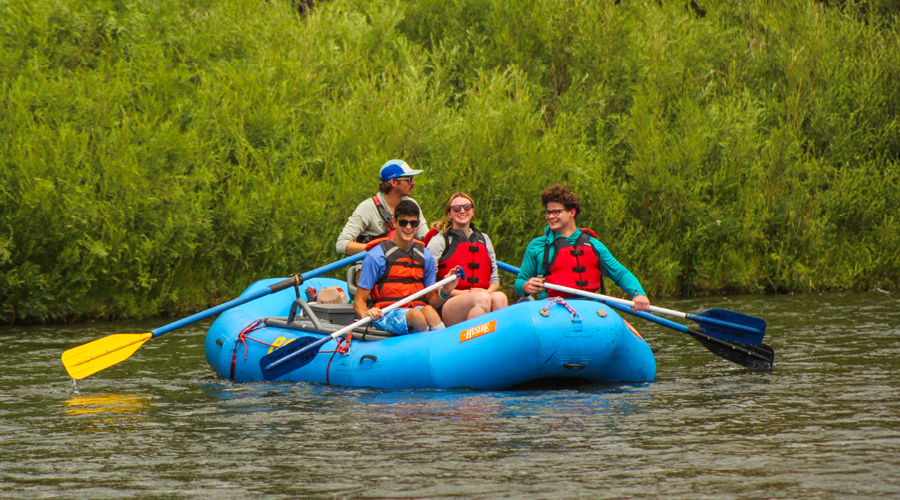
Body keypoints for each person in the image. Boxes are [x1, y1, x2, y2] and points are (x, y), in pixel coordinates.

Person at [515, 184, 651, 312]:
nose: (551, 217)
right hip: (553, 308)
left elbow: (620, 274)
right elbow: (520, 281)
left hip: (589, 308)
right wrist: (526, 287)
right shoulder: (537, 246)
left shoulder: (594, 245)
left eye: (556, 212)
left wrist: (638, 294)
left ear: (572, 212)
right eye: (548, 212)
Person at [354, 200, 461, 335]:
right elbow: (359, 301)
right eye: (403, 222)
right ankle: (424, 346)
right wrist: (366, 313)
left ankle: (442, 346)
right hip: (386, 313)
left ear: (418, 224)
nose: (408, 227)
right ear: (394, 223)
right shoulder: (377, 255)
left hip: (415, 309)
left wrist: (446, 290)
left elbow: (433, 301)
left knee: (429, 311)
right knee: (416, 315)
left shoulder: (425, 256)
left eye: (413, 223)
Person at [426, 192, 508, 326]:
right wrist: (462, 292)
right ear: (449, 214)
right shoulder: (440, 240)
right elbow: (430, 282)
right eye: (456, 208)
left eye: (467, 207)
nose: (462, 211)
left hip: (482, 295)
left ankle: (498, 343)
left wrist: (486, 291)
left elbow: (494, 281)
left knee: (500, 297)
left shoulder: (484, 239)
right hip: (450, 301)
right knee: (481, 298)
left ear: (473, 212)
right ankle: (475, 343)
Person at [336, 159, 429, 255]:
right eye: (409, 179)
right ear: (393, 182)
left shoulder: (412, 204)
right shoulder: (367, 207)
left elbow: (426, 238)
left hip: (401, 265)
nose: (413, 183)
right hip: (370, 265)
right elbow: (341, 244)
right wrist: (377, 248)